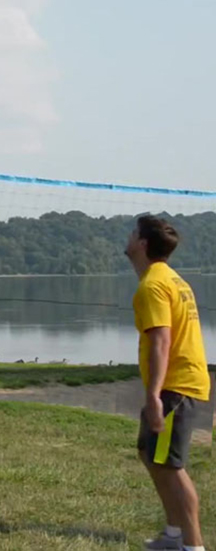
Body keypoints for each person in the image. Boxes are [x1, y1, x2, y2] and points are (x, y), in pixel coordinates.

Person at [125, 215, 211, 551]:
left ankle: (194, 546)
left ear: (143, 244)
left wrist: (154, 396)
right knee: (150, 453)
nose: (129, 237)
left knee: (171, 466)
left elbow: (161, 341)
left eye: (133, 233)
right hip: (179, 381)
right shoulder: (171, 279)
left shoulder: (153, 286)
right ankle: (174, 535)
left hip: (175, 385)